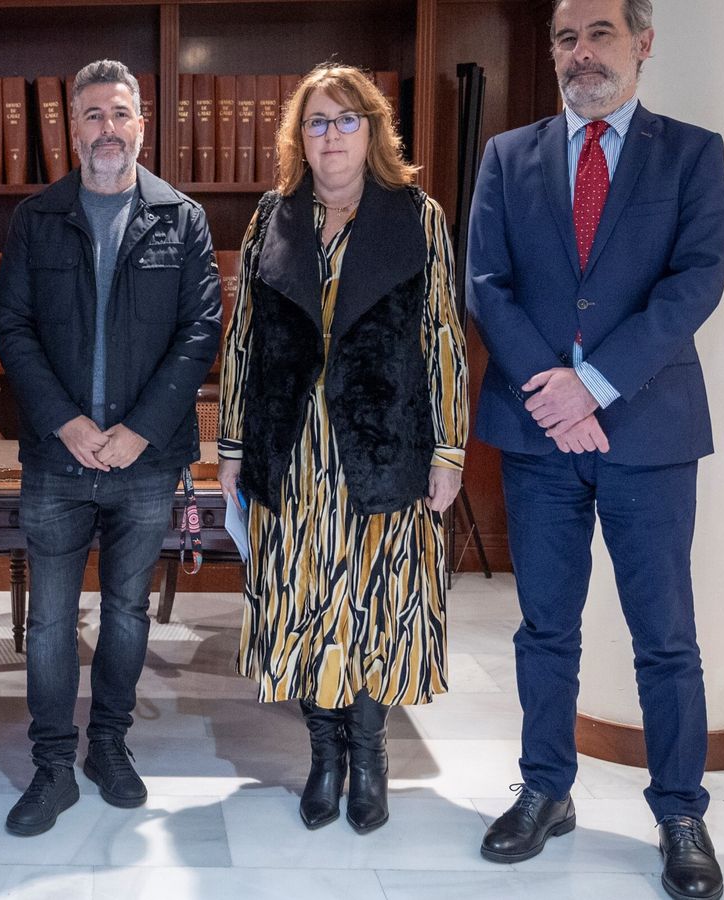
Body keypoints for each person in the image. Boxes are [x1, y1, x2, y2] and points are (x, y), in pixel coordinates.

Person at [465, 2, 724, 897]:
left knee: (665, 638)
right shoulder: (509, 156)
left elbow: (695, 283)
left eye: (600, 34)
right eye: (566, 39)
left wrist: (597, 384)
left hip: (647, 433)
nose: (582, 54)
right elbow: (488, 284)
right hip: (540, 438)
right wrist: (556, 391)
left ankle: (680, 812)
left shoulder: (692, 153)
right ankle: (547, 789)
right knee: (547, 628)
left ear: (643, 43)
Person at [217, 63, 468, 836]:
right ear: (300, 136)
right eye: (317, 121)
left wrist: (449, 450)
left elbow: (442, 337)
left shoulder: (414, 216)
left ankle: (371, 753)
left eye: (346, 119)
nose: (331, 135)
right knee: (302, 602)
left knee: (373, 607)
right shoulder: (273, 216)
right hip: (290, 447)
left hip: (383, 443)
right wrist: (229, 443)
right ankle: (323, 756)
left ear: (373, 131)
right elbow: (246, 337)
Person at [0, 58, 221, 837]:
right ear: (73, 127)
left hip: (147, 463)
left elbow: (200, 333)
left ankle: (110, 747)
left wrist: (137, 431)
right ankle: (53, 764)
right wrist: (67, 423)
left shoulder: (180, 217)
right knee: (51, 621)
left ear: (141, 124)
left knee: (127, 611)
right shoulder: (36, 218)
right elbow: (12, 328)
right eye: (92, 115)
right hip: (57, 459)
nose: (107, 130)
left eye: (120, 114)